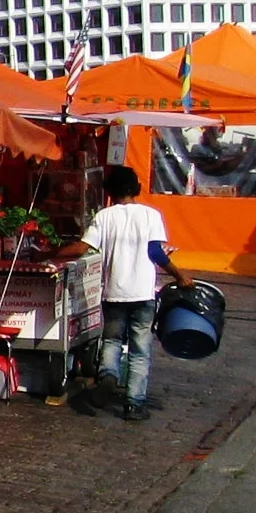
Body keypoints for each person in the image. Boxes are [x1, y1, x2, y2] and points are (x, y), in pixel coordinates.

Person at [73, 164, 190, 421]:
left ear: (110, 191)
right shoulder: (151, 215)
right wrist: (180, 275)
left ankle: (109, 376)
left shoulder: (104, 216)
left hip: (114, 293)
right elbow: (156, 253)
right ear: (136, 189)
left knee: (112, 341)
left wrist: (50, 254)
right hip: (143, 295)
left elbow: (83, 247)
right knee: (140, 349)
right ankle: (134, 404)